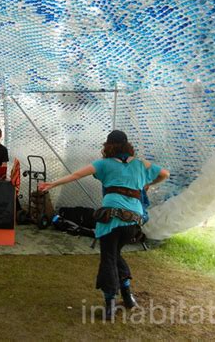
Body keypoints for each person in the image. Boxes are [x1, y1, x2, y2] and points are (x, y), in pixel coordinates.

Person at [39, 130, 169, 320]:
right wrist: (147, 184)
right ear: (127, 145)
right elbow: (165, 173)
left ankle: (110, 304)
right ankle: (127, 296)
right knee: (115, 255)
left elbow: (76, 175)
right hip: (133, 221)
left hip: (111, 219)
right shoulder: (142, 163)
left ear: (108, 146)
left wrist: (52, 185)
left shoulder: (104, 164)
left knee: (108, 258)